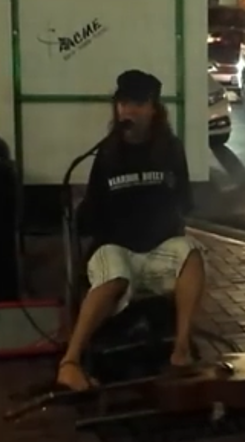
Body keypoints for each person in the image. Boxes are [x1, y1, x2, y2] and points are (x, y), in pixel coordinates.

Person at [56, 69, 205, 392]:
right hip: (115, 247)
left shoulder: (171, 149)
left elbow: (184, 202)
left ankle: (180, 350)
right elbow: (91, 213)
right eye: (124, 103)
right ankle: (69, 363)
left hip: (156, 248)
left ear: (154, 109)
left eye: (138, 104)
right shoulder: (107, 153)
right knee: (115, 276)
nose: (129, 111)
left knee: (191, 253)